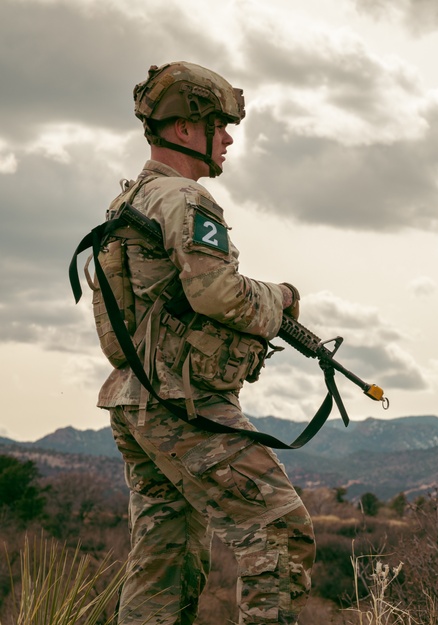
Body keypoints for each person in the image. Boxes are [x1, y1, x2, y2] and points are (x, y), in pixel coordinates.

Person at [96, 62, 314, 625]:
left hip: (135, 403)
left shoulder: (126, 204)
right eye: (220, 124)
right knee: (279, 534)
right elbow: (219, 294)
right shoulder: (184, 201)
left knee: (162, 561)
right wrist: (280, 297)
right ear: (187, 128)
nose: (229, 137)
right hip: (182, 403)